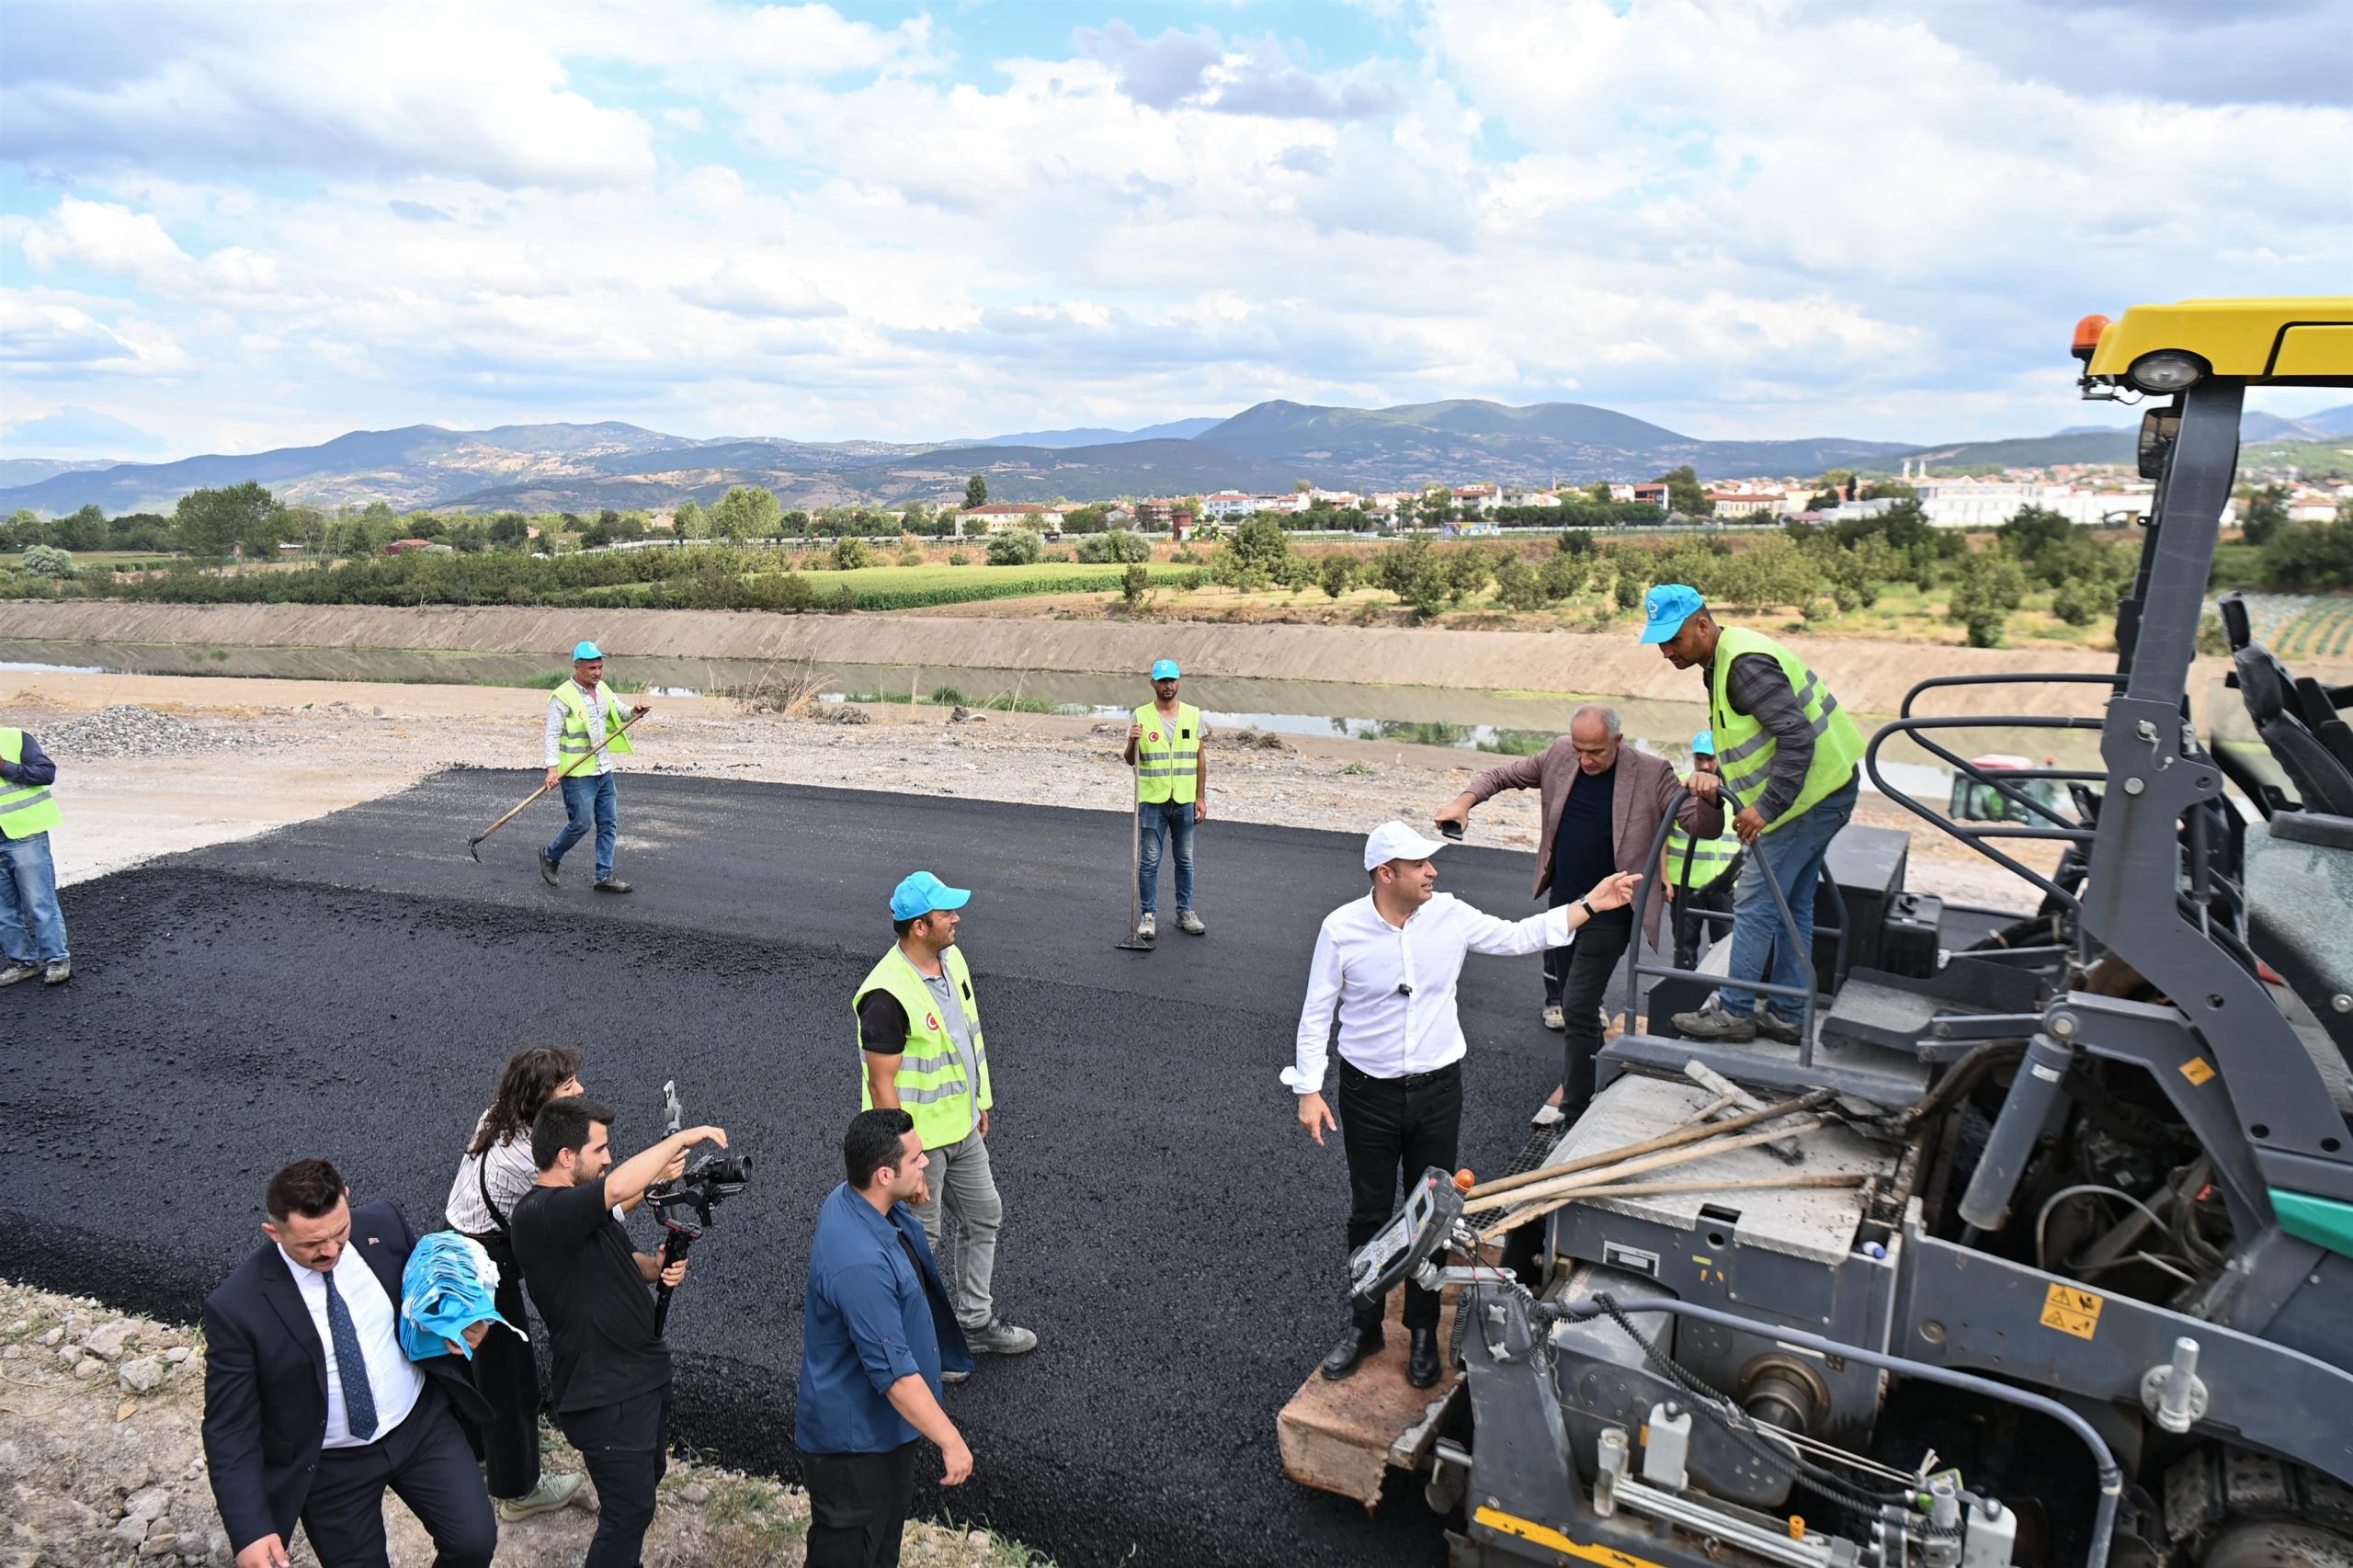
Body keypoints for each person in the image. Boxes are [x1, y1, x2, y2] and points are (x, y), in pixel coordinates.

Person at [1286, 822, 1640, 1388]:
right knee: (1371, 1214)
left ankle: (1423, 1332)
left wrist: (1589, 906)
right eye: (1420, 864)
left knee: (1434, 1214)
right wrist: (1308, 1088)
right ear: (1387, 874)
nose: (1433, 872)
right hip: (1367, 1093)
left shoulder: (1450, 914)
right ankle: (1365, 1323)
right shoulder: (1342, 929)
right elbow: (1316, 1011)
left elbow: (1520, 936)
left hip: (1437, 1091)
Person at [201, 1158, 497, 1568]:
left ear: (347, 1199)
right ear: (273, 1232)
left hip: (421, 1429)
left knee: (474, 1543)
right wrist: (250, 1529)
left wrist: (464, 1322)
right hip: (331, 1467)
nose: (330, 1250)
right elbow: (228, 1428)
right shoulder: (236, 1307)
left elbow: (426, 1294)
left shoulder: (384, 1224)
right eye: (310, 1245)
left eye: (340, 1232)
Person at [1434, 702, 1722, 1119]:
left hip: (1613, 908)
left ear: (1618, 742)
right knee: (1574, 1007)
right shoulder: (1559, 755)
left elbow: (1702, 827)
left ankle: (1576, 1104)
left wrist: (1710, 793)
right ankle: (1592, 1073)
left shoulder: (1651, 771)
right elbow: (1500, 775)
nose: (1584, 760)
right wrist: (1465, 802)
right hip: (1566, 906)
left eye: (1595, 752)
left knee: (1580, 1002)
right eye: (1579, 749)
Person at [509, 1097, 726, 1568]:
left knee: (646, 1481)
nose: (608, 1157)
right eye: (600, 1149)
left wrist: (656, 1266)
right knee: (629, 1512)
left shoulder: (581, 1213)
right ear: (567, 1156)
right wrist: (679, 1139)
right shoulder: (540, 1213)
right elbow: (616, 1186)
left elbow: (624, 1261)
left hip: (641, 1373)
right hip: (604, 1394)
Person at [1642, 585, 1864, 1043]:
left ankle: (1736, 1010)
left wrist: (1766, 806)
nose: (1667, 652)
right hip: (1822, 791)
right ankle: (1786, 1011)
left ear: (1703, 625)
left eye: (1674, 640)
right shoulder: (1722, 658)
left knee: (1755, 901)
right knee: (1793, 903)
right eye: (1660, 642)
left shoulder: (1744, 665)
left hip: (1809, 799)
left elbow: (1797, 737)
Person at [856, 872, 1038, 1370]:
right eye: (946, 913)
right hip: (920, 1145)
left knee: (984, 1216)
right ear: (919, 926)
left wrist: (981, 1100)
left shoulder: (951, 958)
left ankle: (974, 1325)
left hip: (960, 1127)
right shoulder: (885, 995)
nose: (957, 918)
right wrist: (904, 1153)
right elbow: (881, 1084)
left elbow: (966, 1036)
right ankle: (912, 1344)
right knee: (919, 1243)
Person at [797, 1108, 976, 1568]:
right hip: (855, 1452)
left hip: (881, 1436)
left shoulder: (853, 1198)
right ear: (882, 1174)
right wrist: (950, 1440)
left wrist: (910, 1187)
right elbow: (894, 1377)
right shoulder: (860, 1264)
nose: (926, 1164)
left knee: (881, 1550)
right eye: (917, 1159)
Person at [439, 1045, 590, 1522]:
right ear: (542, 1098)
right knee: (511, 1380)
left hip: (457, 1245)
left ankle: (473, 1451)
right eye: (568, 1086)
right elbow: (583, 1200)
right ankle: (519, 1489)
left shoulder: (495, 1117)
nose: (580, 1090)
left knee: (472, 1362)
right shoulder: (530, 1155)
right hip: (489, 1262)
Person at [540, 640, 650, 894]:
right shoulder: (562, 697)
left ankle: (604, 876)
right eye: (592, 668)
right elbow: (552, 735)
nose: (598, 673)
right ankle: (550, 855)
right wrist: (552, 770)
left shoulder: (603, 690)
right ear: (577, 667)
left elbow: (620, 712)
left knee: (608, 823)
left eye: (600, 667)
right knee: (581, 823)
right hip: (577, 774)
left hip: (603, 770)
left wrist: (634, 710)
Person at [1120, 657, 1209, 938]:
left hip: (1184, 800)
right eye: (1162, 681)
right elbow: (1130, 761)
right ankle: (1148, 915)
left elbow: (1200, 758)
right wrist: (1133, 740)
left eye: (1172, 680)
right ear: (1153, 683)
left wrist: (1200, 797)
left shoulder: (1194, 715)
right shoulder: (1140, 716)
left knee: (1185, 859)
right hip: (1152, 800)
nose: (1167, 685)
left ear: (1179, 682)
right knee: (1149, 861)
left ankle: (1185, 912)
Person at [1663, 731, 1745, 971]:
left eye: (1711, 758)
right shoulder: (1681, 786)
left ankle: (1718, 996)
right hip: (1685, 882)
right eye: (1700, 759)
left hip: (1726, 883)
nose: (1705, 765)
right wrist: (1664, 878)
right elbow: (1663, 836)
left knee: (1725, 946)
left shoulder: (1736, 788)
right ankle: (1682, 991)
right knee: (1684, 946)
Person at [0, 724, 70, 986]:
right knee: (3, 911)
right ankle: (22, 962)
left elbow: (46, 772)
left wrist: (5, 767)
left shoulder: (14, 739)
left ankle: (56, 960)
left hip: (24, 835)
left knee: (39, 902)